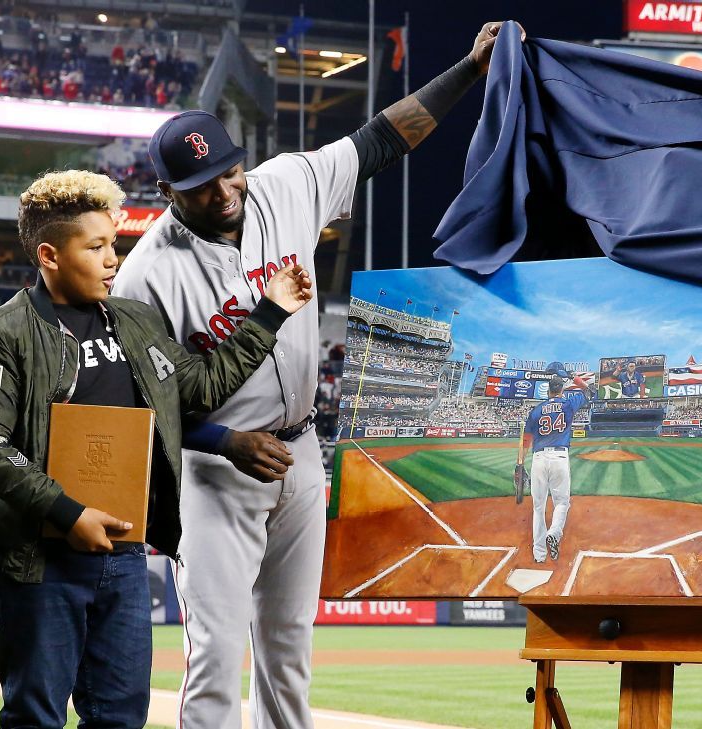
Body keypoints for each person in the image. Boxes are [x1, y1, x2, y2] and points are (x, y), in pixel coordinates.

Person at [110, 21, 516, 728]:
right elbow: (143, 404)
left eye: (229, 169)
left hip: (301, 454)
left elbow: (381, 139)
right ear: (169, 188)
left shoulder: (286, 183)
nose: (225, 189)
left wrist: (468, 70)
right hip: (215, 475)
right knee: (213, 660)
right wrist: (221, 441)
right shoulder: (147, 272)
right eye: (204, 185)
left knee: (290, 653)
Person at [0, 170, 311, 729]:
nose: (112, 260)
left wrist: (268, 313)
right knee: (36, 715)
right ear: (50, 255)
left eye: (115, 245)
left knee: (122, 714)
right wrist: (67, 512)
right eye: (96, 247)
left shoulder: (135, 320)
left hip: (123, 556)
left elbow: (199, 388)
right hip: (40, 559)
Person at [517, 372, 591, 563]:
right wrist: (575, 378)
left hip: (539, 459)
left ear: (548, 391)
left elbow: (526, 441)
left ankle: (539, 554)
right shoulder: (568, 403)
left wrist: (519, 464)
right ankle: (555, 533)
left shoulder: (536, 410)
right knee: (562, 503)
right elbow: (588, 391)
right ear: (562, 390)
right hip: (559, 457)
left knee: (538, 507)